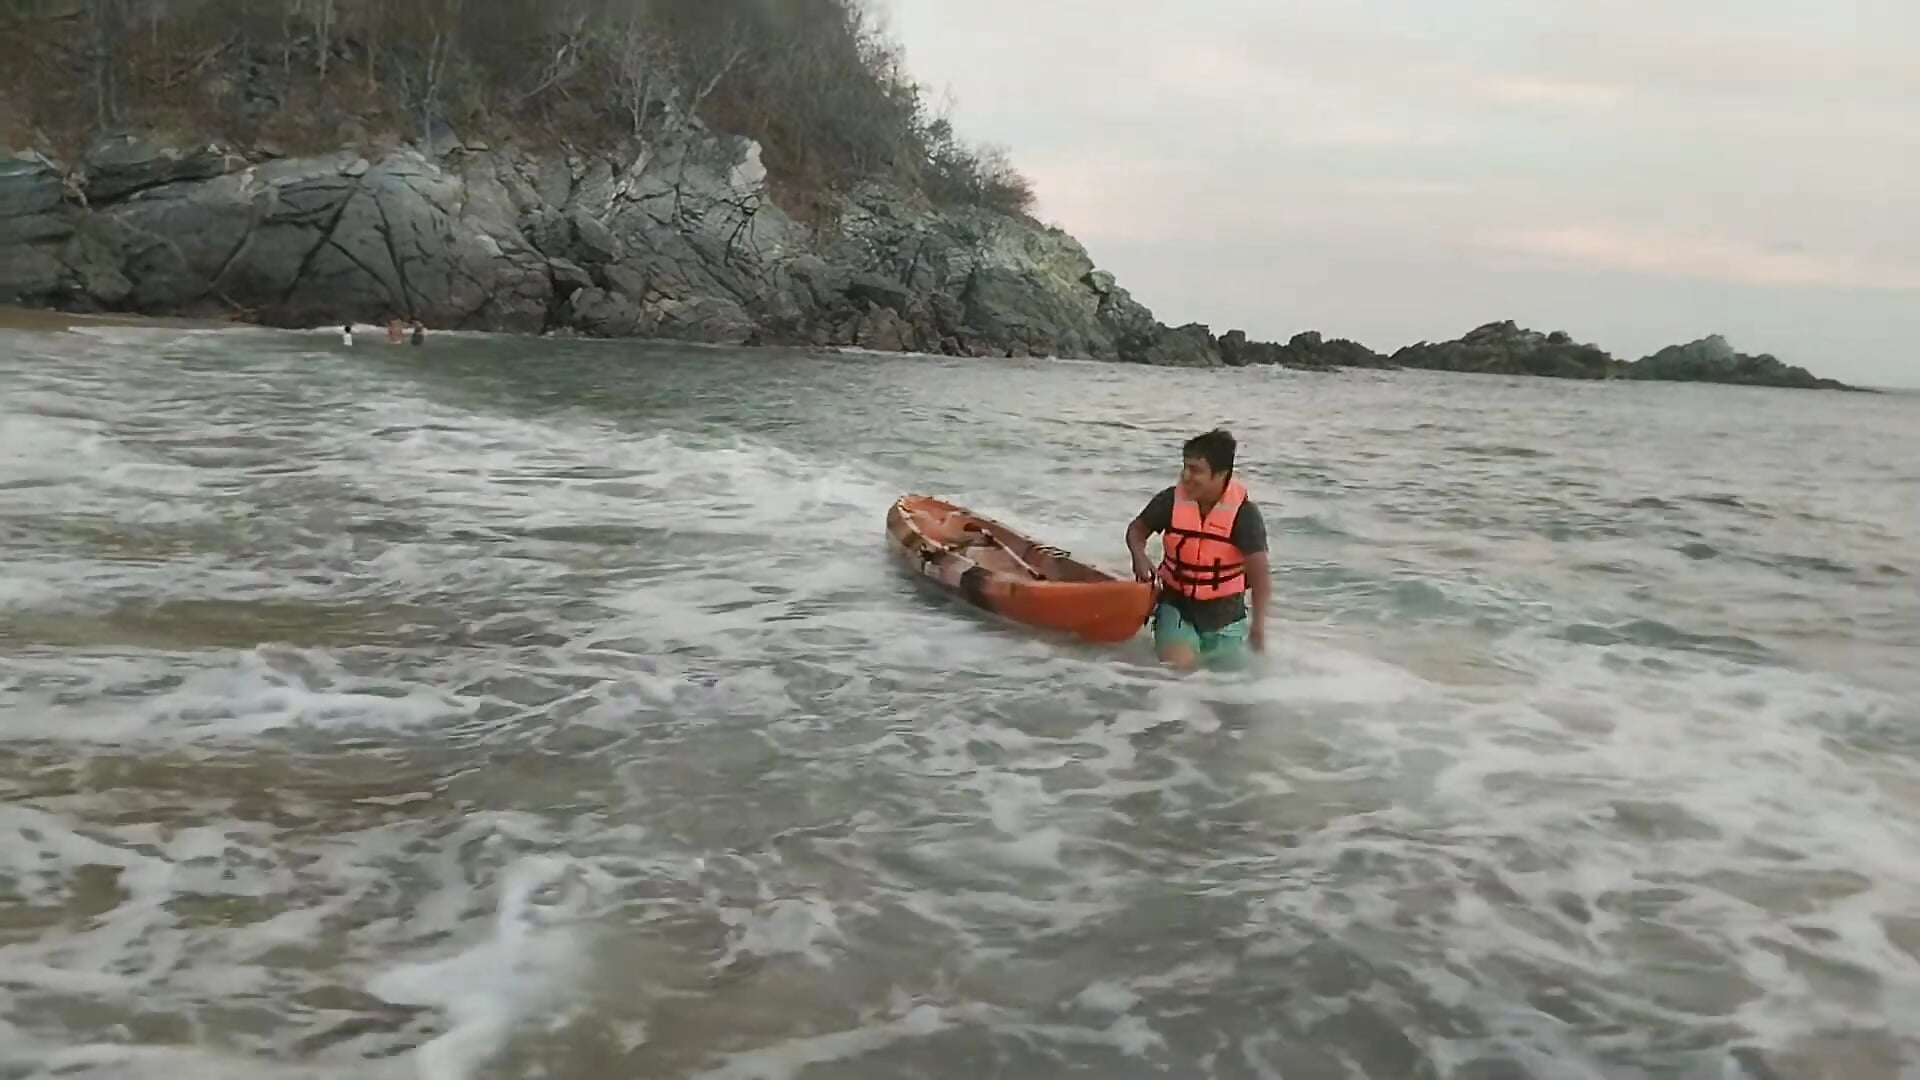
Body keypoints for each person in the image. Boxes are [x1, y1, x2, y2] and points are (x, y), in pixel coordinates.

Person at [1125, 428, 1270, 669]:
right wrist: (1139, 557)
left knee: (1227, 694)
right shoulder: (1170, 501)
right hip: (1177, 606)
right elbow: (1136, 530)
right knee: (1180, 674)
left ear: (1221, 474)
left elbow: (1260, 575)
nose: (1185, 475)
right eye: (1185, 466)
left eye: (1196, 470)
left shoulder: (1244, 515)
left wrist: (1258, 627)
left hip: (1227, 616)